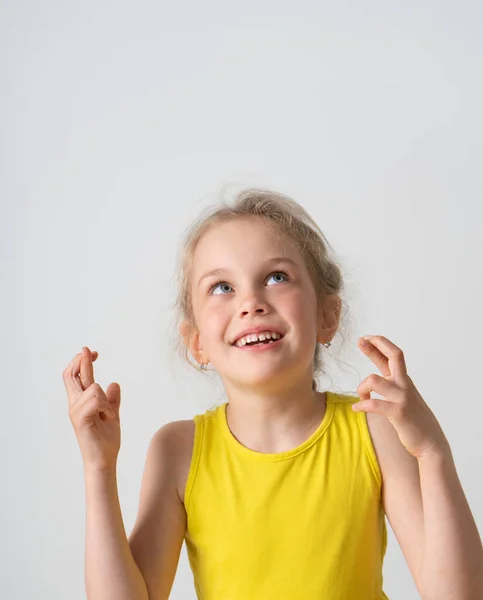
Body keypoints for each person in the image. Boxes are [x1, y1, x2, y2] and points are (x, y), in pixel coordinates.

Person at [63, 187, 483, 600]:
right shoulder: (178, 451)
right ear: (197, 343)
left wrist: (433, 452)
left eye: (276, 277)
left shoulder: (373, 430)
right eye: (222, 287)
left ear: (327, 315)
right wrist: (98, 469)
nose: (251, 302)